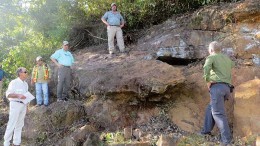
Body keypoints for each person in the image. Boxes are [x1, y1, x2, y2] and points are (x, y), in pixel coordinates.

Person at [201, 41, 234, 146]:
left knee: (218, 114)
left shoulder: (211, 57)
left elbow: (206, 68)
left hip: (217, 88)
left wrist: (208, 81)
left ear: (211, 50)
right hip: (227, 89)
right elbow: (231, 65)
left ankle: (227, 141)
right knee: (210, 108)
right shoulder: (227, 59)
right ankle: (206, 131)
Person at [4, 67, 29, 146]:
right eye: (25, 72)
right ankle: (6, 143)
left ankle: (16, 143)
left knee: (20, 124)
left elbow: (26, 96)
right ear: (20, 73)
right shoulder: (13, 82)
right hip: (15, 104)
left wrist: (27, 106)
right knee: (12, 123)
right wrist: (18, 95)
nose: (26, 73)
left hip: (23, 105)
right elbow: (8, 94)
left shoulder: (26, 84)